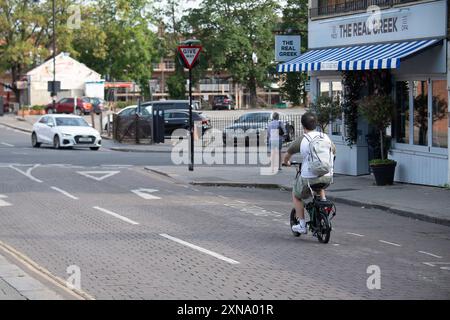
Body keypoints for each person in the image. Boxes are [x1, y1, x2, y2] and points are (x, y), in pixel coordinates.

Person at [283, 112, 336, 234]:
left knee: (296, 195)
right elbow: (333, 151)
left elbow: (287, 154)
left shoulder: (302, 139)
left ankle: (302, 225)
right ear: (316, 124)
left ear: (302, 125)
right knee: (320, 184)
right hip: (327, 176)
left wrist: (286, 162)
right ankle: (323, 205)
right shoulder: (325, 137)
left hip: (309, 177)